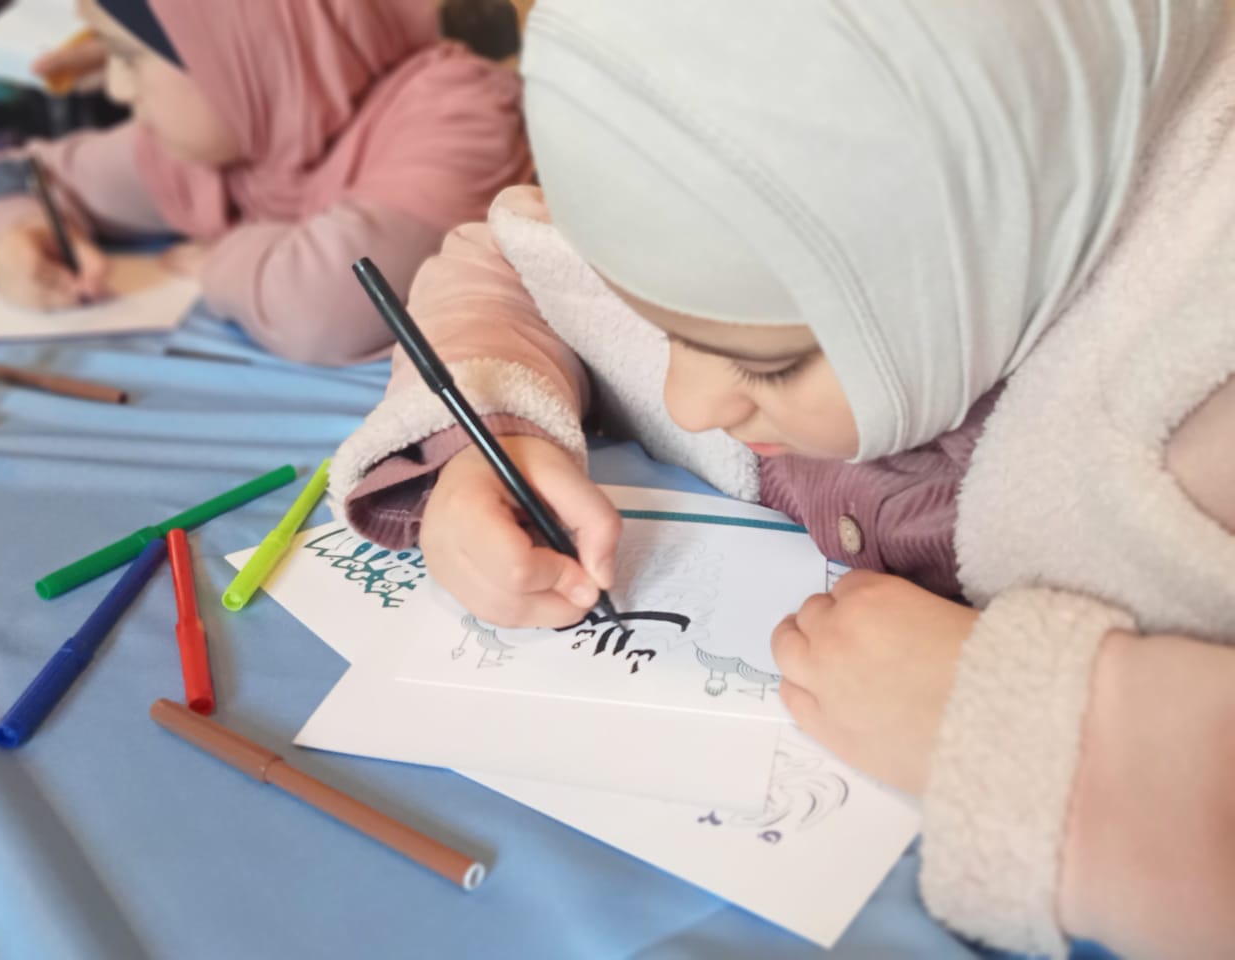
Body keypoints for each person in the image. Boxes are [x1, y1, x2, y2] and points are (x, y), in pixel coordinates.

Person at [331, 1, 1235, 956]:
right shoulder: (721, 178)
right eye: (664, 330)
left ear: (991, 259)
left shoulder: (1197, 413)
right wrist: (492, 439)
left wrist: (1021, 736)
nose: (686, 402)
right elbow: (510, 265)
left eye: (766, 364)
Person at [0, 0, 532, 363]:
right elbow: (15, 174)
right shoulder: (242, 133)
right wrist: (14, 231)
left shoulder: (461, 109)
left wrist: (220, 260)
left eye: (129, 57)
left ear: (246, 51)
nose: (116, 89)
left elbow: (326, 310)